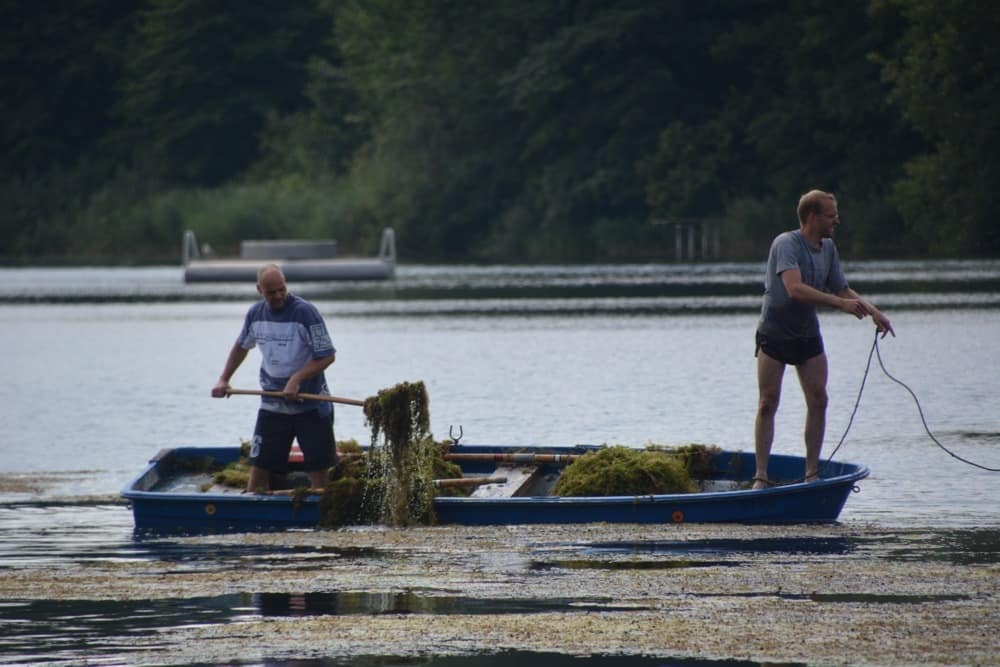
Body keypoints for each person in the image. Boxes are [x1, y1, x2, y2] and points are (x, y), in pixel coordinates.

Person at [752, 189, 894, 490]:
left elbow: (842, 288)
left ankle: (811, 474)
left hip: (807, 335)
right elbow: (795, 289)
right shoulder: (786, 244)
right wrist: (840, 305)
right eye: (831, 216)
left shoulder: (828, 248)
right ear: (813, 217)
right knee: (767, 403)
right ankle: (760, 476)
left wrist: (874, 312)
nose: (836, 221)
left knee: (819, 399)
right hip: (774, 333)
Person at [211, 264, 337, 493]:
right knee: (259, 472)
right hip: (272, 403)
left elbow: (327, 355)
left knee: (319, 475)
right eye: (271, 292)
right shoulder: (255, 314)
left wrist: (296, 379)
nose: (279, 296)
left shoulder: (306, 312)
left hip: (311, 405)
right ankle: (253, 507)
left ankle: (320, 509)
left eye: (282, 289)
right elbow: (241, 346)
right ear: (259, 289)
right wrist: (223, 379)